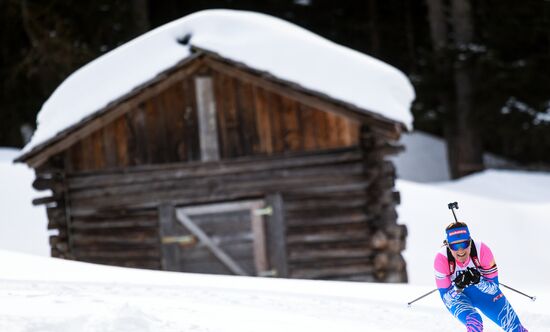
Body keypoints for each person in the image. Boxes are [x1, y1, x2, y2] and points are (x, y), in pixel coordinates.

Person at [433, 221, 528, 331]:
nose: (460, 250)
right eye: (455, 246)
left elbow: (494, 288)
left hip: (484, 294)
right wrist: (458, 287)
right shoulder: (441, 258)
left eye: (464, 244)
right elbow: (446, 298)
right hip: (458, 297)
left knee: (516, 328)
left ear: (470, 242)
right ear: (448, 246)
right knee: (474, 322)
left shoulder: (481, 250)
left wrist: (478, 281)